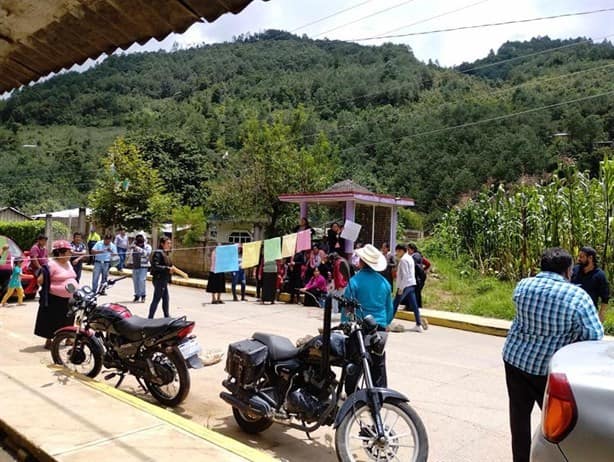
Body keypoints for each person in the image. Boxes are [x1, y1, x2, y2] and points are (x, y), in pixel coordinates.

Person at [502, 247, 603, 462]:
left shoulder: (524, 285)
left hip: (515, 360)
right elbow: (594, 335)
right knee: (557, 424)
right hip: (547, 368)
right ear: (568, 271)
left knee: (518, 418)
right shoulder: (577, 296)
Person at [343, 244, 393, 390]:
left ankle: (352, 395)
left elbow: (347, 309)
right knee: (378, 362)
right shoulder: (385, 283)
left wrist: (344, 326)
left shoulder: (355, 281)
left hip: (360, 328)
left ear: (362, 262)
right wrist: (385, 323)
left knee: (356, 362)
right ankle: (379, 394)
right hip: (380, 328)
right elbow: (389, 310)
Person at [34, 240, 79, 349]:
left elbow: (72, 277)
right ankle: (49, 340)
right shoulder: (51, 265)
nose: (70, 254)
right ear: (60, 253)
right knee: (53, 320)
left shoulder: (68, 263)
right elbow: (40, 281)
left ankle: (68, 338)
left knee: (69, 319)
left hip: (70, 297)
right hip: (55, 298)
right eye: (68, 252)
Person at [571, 246, 610, 322]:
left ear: (590, 258)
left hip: (589, 313)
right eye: (579, 256)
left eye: (582, 257)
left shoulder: (600, 275)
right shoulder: (574, 270)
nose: (579, 259)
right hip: (572, 312)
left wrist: (601, 315)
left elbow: (605, 298)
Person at [394, 244, 424, 332]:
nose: (397, 253)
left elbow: (405, 275)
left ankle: (387, 323)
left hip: (405, 286)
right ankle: (418, 324)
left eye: (397, 251)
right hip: (411, 284)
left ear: (401, 251)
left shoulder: (403, 260)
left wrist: (401, 288)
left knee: (395, 304)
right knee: (414, 306)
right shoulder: (410, 258)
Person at [148, 236, 176, 318]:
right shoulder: (158, 253)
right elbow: (155, 266)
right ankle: (150, 317)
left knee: (166, 299)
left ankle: (166, 316)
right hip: (159, 279)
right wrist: (167, 269)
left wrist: (169, 278)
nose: (169, 245)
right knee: (156, 299)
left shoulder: (165, 253)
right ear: (162, 244)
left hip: (164, 279)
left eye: (170, 243)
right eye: (168, 243)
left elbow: (169, 266)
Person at [130, 234, 151, 303]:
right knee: (135, 281)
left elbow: (146, 254)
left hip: (143, 266)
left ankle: (143, 295)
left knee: (141, 281)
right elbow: (129, 252)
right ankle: (137, 295)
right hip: (135, 265)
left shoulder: (147, 247)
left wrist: (137, 248)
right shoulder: (134, 245)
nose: (140, 244)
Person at [408, 242, 429, 308]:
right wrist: (423, 270)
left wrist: (423, 270)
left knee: (415, 293)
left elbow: (428, 264)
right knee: (417, 294)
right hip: (421, 277)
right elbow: (428, 264)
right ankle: (418, 307)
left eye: (408, 249)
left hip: (418, 278)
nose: (407, 251)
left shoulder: (415, 256)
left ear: (412, 249)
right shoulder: (419, 255)